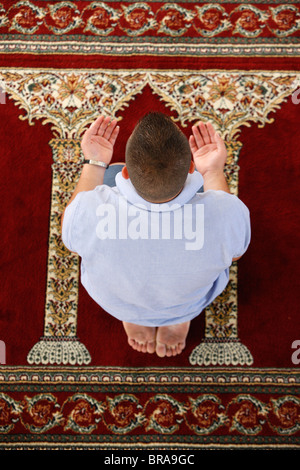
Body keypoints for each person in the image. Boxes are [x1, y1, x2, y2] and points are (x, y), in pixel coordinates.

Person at [61, 113, 250, 358]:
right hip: (187, 302)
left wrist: (95, 162)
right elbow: (235, 256)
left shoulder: (90, 210)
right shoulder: (227, 212)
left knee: (109, 173)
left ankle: (134, 315)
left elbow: (73, 246)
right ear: (192, 168)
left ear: (127, 173)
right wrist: (213, 171)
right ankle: (178, 318)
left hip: (118, 302)